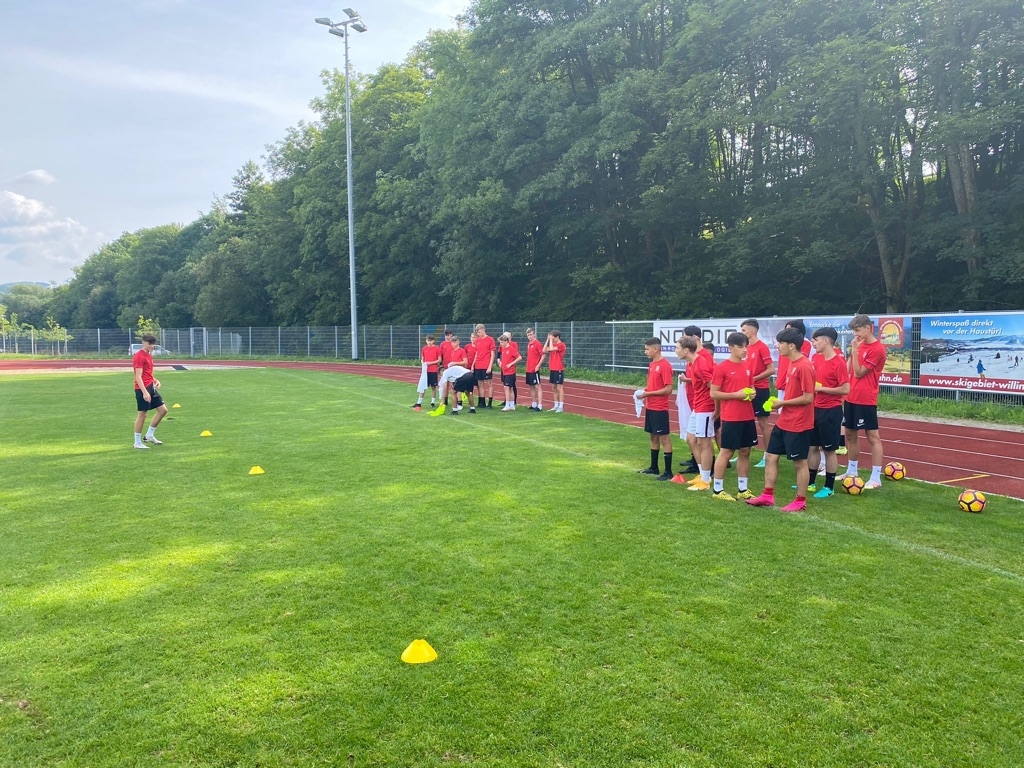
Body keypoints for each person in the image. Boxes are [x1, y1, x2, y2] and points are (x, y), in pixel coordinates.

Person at [746, 327, 815, 512]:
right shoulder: (792, 363)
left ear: (791, 345)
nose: (778, 346)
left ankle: (800, 501)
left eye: (781, 343)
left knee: (799, 462)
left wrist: (782, 403)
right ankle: (767, 496)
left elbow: (809, 397)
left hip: (799, 423)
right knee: (770, 456)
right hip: (785, 420)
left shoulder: (804, 365)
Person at [839, 314, 887, 489]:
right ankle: (852, 471)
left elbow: (859, 373)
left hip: (866, 398)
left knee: (872, 436)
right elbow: (848, 370)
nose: (856, 334)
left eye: (858, 330)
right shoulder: (858, 346)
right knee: (850, 434)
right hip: (851, 396)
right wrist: (853, 352)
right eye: (854, 331)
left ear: (868, 328)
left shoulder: (877, 349)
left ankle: (875, 477)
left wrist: (855, 351)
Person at [709, 332, 758, 500]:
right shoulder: (722, 368)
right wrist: (736, 395)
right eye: (740, 346)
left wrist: (752, 393)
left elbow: (751, 387)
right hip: (731, 417)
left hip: (747, 416)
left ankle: (742, 489)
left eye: (746, 346)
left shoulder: (748, 366)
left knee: (745, 451)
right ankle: (717, 490)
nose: (745, 350)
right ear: (731, 348)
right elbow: (714, 393)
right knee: (726, 452)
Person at [807, 327, 850, 498]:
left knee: (829, 449)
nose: (814, 344)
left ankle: (829, 487)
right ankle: (810, 482)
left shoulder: (838, 362)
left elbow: (845, 389)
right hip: (816, 408)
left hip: (831, 410)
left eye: (816, 340)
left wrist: (821, 389)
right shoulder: (817, 359)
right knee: (812, 447)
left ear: (826, 341)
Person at [677, 336, 715, 491]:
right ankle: (702, 474)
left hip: (705, 407)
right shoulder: (692, 364)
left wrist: (717, 409)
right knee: (690, 439)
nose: (676, 351)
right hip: (697, 407)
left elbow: (713, 386)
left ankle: (705, 480)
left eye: (677, 348)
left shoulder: (700, 364)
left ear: (686, 350)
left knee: (704, 443)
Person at [636, 338, 675, 480]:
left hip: (660, 408)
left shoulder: (665, 365)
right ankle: (654, 467)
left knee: (664, 438)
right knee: (652, 436)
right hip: (650, 406)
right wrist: (645, 391)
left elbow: (668, 389)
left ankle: (668, 471)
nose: (645, 352)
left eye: (647, 349)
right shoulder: (652, 364)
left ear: (655, 349)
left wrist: (649, 394)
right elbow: (653, 384)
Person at [740, 319, 776, 462]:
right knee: (744, 420)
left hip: (760, 389)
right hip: (747, 389)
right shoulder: (745, 348)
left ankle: (767, 455)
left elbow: (771, 369)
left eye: (744, 330)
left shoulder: (762, 347)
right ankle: (743, 451)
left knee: (763, 422)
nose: (742, 333)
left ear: (752, 331)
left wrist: (753, 379)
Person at [132, 333, 168, 449]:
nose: (152, 346)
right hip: (142, 388)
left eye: (153, 344)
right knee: (142, 415)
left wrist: (155, 380)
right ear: (143, 343)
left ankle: (149, 435)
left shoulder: (148, 355)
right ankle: (137, 443)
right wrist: (145, 392)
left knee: (163, 410)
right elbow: (138, 376)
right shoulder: (139, 356)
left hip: (150, 386)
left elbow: (147, 373)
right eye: (150, 344)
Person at [413, 334, 441, 410]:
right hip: (425, 371)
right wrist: (423, 362)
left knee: (433, 387)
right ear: (426, 341)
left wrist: (430, 363)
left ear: (433, 341)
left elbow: (439, 360)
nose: (429, 342)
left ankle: (432, 402)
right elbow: (423, 358)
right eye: (428, 341)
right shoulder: (424, 348)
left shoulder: (437, 348)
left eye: (431, 341)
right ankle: (419, 402)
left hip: (433, 370)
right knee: (423, 386)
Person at [473, 324, 497, 407]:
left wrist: (490, 366)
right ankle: (482, 402)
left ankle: (490, 402)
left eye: (479, 332)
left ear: (483, 330)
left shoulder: (490, 339)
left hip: (486, 365)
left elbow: (492, 354)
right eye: (477, 332)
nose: (478, 334)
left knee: (489, 384)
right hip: (478, 365)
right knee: (480, 384)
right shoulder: (477, 341)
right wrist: (473, 365)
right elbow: (476, 353)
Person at [498, 333, 523, 411]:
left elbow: (519, 357)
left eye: (502, 342)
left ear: (506, 341)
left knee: (506, 387)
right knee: (510, 388)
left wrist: (511, 364)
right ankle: (512, 405)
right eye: (500, 342)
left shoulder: (511, 349)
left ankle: (507, 405)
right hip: (504, 371)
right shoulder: (503, 349)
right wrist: (501, 363)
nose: (501, 344)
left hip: (510, 372)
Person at [544, 330, 567, 412]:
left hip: (558, 368)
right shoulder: (552, 344)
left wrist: (550, 340)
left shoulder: (561, 345)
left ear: (557, 337)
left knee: (559, 388)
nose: (552, 339)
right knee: (553, 387)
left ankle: (561, 406)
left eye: (553, 338)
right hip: (552, 368)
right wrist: (547, 340)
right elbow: (544, 350)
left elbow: (551, 349)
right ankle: (556, 405)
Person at [524, 327, 546, 410]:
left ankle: (539, 405)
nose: (529, 336)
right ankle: (534, 403)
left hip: (534, 369)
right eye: (528, 335)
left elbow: (543, 354)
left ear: (534, 334)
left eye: (531, 334)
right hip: (529, 368)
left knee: (538, 386)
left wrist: (538, 365)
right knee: (531, 386)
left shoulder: (537, 343)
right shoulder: (529, 344)